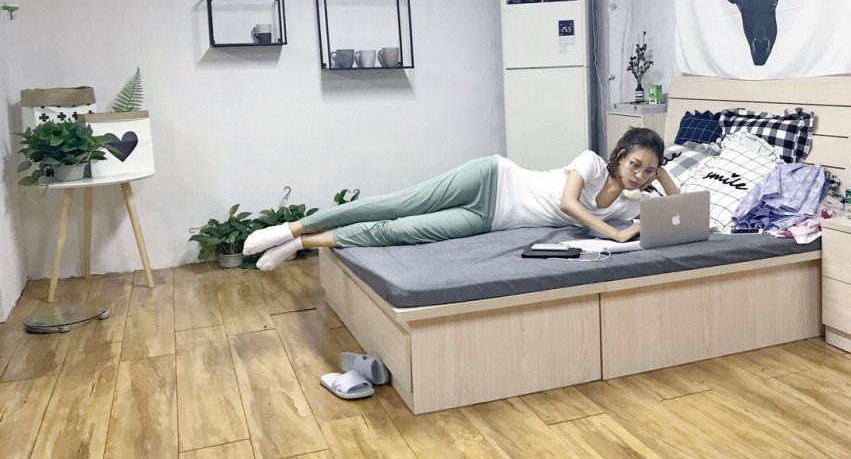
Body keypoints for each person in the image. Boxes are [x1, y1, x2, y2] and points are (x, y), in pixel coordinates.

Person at [246, 127, 679, 270]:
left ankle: (298, 245)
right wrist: (615, 236)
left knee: (399, 231)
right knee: (396, 205)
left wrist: (663, 172)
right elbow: (569, 205)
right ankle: (289, 226)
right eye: (636, 164)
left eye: (648, 171)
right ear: (619, 155)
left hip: (491, 220)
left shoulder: (629, 205)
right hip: (491, 179)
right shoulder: (589, 162)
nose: (640, 175)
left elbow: (681, 208)